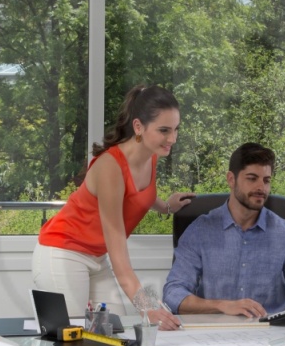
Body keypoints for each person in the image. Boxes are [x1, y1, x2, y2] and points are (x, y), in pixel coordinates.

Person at [32, 84, 193, 330]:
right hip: (63, 251)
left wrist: (166, 207)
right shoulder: (110, 168)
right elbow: (120, 259)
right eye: (164, 130)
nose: (172, 139)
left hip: (96, 256)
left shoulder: (150, 154)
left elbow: (141, 194)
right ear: (139, 127)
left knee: (113, 333)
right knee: (70, 336)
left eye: (175, 129)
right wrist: (149, 307)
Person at [162, 143, 285, 317]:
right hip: (216, 335)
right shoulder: (200, 231)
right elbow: (173, 295)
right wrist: (222, 305)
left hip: (270, 334)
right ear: (231, 179)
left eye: (266, 180)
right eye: (252, 178)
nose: (261, 188)